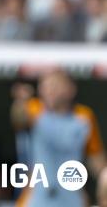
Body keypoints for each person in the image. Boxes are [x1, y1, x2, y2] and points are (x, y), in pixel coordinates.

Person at [11, 69, 107, 207]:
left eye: (55, 86)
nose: (49, 91)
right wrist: (21, 101)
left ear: (71, 89)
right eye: (45, 86)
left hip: (71, 197)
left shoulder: (84, 117)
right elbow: (18, 118)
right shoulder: (34, 109)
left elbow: (96, 159)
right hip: (37, 197)